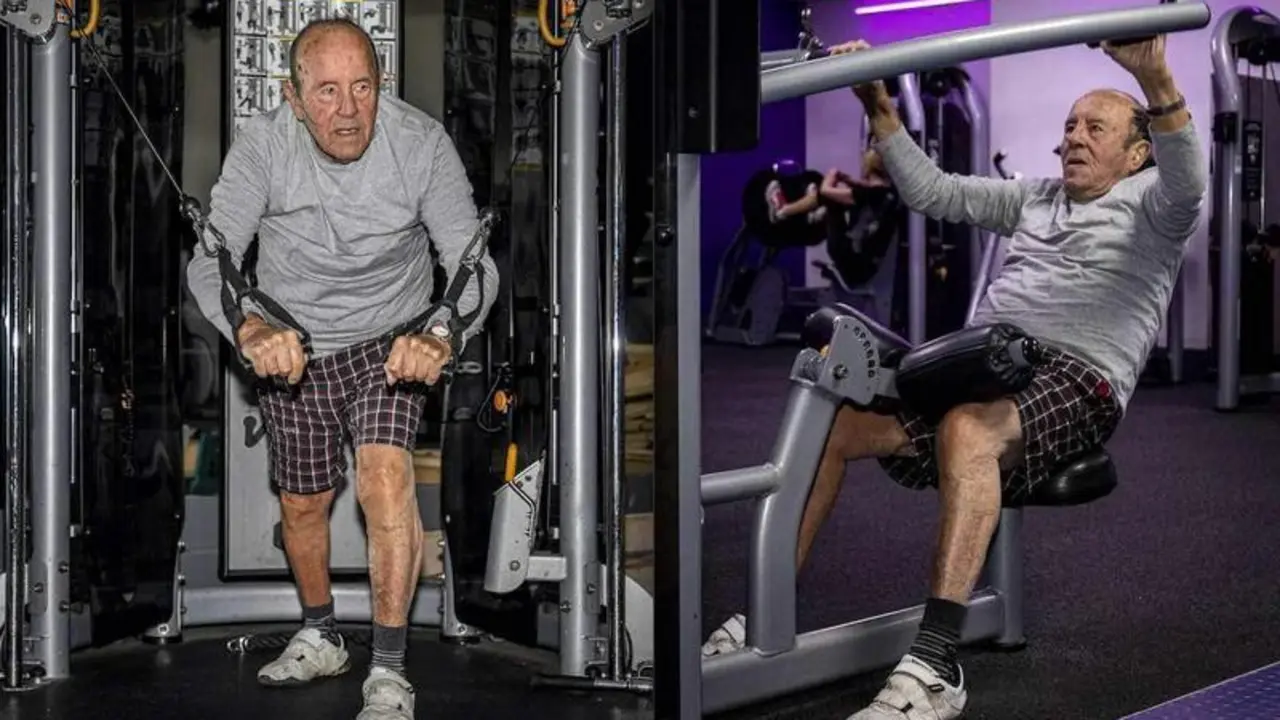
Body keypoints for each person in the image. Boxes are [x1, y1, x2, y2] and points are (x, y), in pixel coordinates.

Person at [703, 34, 1206, 720]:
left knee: (970, 429)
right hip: (987, 360)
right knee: (836, 424)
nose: (1075, 138)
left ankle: (935, 666)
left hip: (1077, 378)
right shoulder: (1035, 197)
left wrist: (1155, 77)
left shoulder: (1155, 206)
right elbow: (933, 192)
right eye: (1069, 126)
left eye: (1096, 128)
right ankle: (761, 615)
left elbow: (1190, 179)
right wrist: (880, 109)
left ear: (1136, 153)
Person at [186, 18, 498, 720]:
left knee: (385, 476)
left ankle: (388, 671)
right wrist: (251, 326)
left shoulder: (419, 145)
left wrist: (441, 333)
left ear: (381, 82)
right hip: (293, 344)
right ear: (293, 99)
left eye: (362, 86)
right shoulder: (264, 145)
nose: (349, 110)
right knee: (302, 503)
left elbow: (474, 263)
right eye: (326, 92)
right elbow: (213, 257)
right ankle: (321, 631)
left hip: (393, 341)